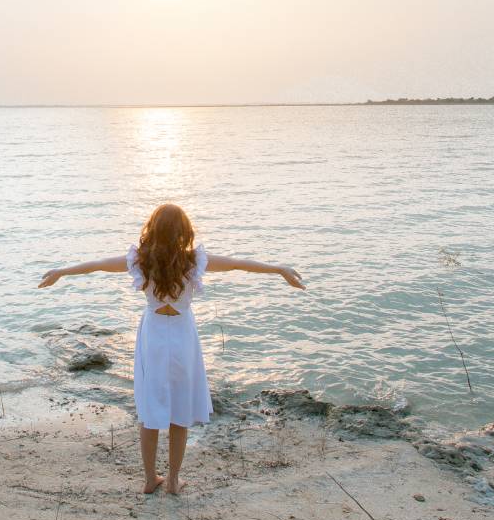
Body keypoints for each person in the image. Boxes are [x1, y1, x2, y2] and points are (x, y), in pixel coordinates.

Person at [38, 203, 304, 495]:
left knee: (151, 409)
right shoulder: (193, 262)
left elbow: (98, 264)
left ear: (152, 229)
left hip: (153, 335)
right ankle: (174, 481)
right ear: (184, 230)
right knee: (180, 409)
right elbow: (239, 263)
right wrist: (279, 270)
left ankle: (150, 479)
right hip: (181, 336)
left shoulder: (140, 261)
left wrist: (62, 271)